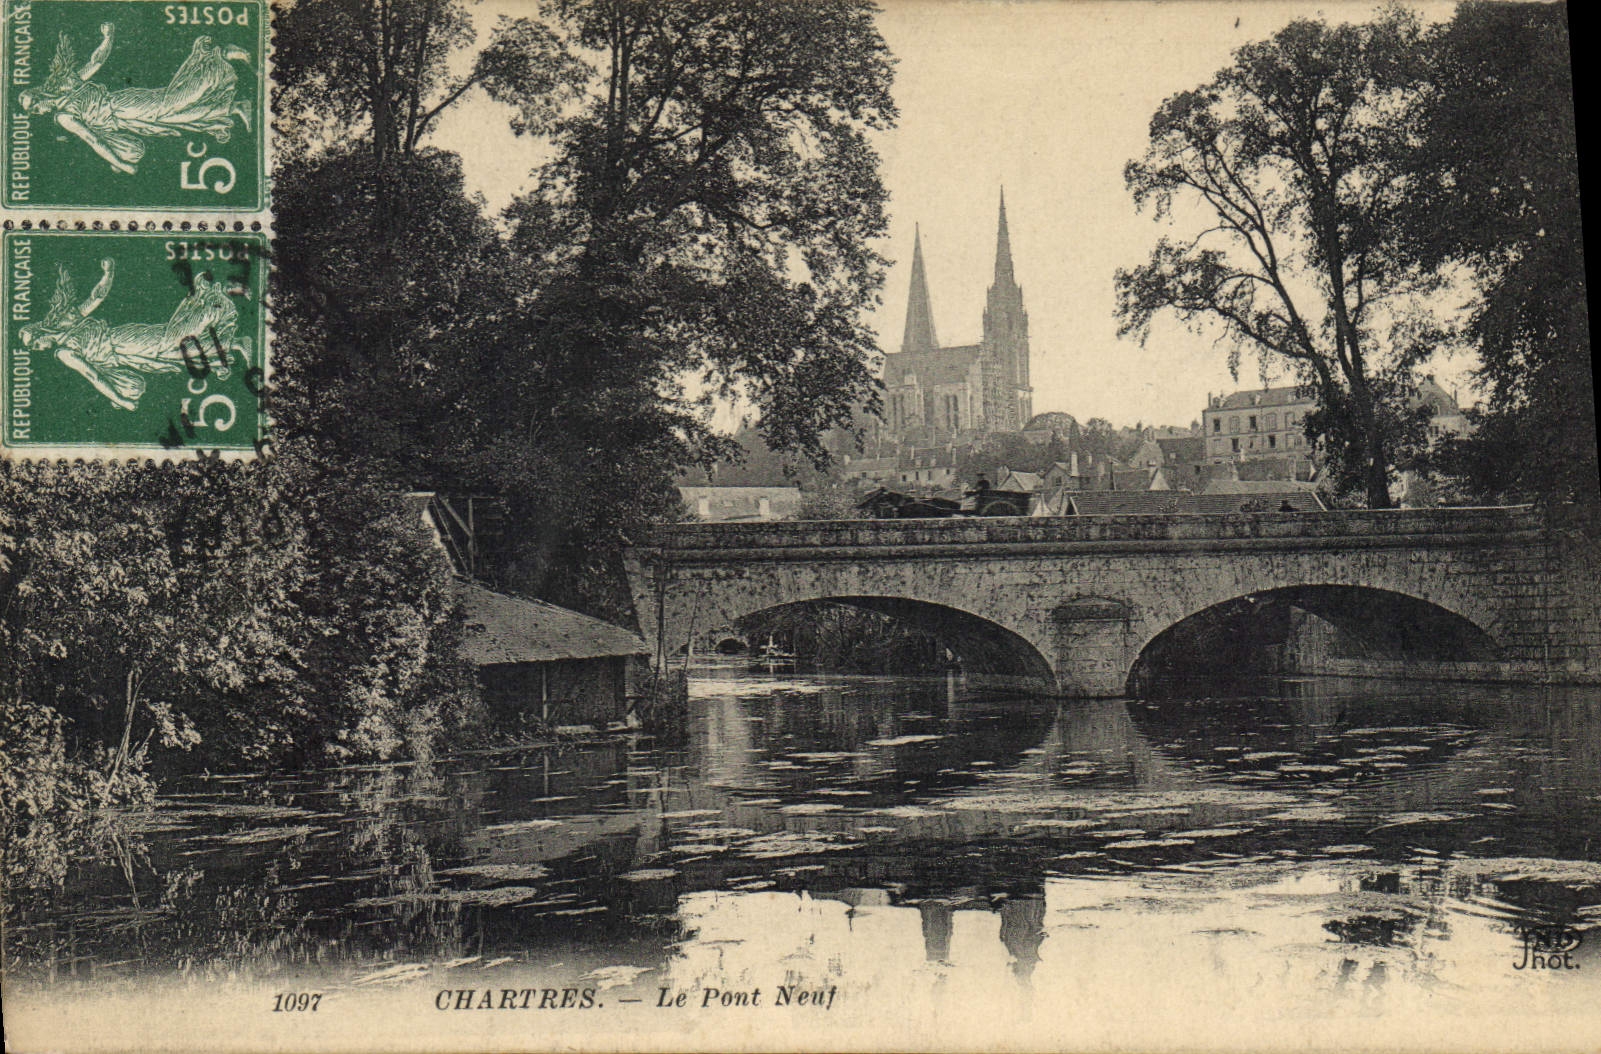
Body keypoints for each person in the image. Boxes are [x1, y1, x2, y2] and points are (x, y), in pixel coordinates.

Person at [19, 25, 252, 175]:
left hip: (121, 105)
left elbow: (96, 63)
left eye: (35, 105)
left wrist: (108, 37)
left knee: (171, 104)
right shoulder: (62, 110)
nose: (37, 111)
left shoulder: (65, 106)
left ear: (40, 95)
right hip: (125, 120)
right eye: (33, 112)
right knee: (175, 116)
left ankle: (218, 56)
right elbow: (96, 138)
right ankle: (234, 107)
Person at [22, 259, 247, 412]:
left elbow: (96, 299)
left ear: (39, 332)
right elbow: (97, 375)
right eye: (33, 348)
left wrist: (108, 274)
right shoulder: (62, 348)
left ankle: (215, 304)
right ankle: (233, 343)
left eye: (34, 343)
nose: (38, 348)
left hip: (121, 341)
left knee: (170, 342)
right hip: (124, 357)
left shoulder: (64, 342)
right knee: (175, 354)